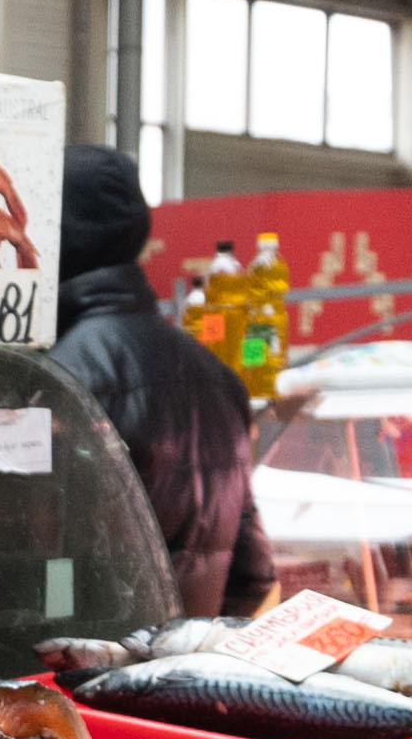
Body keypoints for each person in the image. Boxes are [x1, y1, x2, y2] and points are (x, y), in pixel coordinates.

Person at [50, 146, 273, 626]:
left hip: (72, 691)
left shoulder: (53, 378)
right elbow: (252, 577)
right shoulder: (221, 380)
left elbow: (46, 579)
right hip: (180, 685)